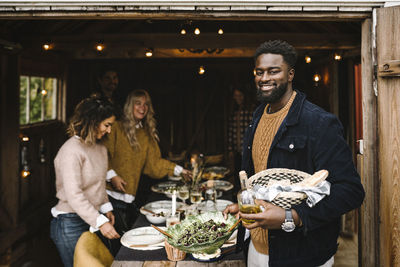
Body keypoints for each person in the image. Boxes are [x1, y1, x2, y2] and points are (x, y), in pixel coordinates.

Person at [223, 40, 365, 267]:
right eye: (259, 72)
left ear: (290, 74)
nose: (264, 78)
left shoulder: (318, 123)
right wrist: (245, 204)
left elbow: (350, 191)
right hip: (256, 248)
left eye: (273, 71)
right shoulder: (257, 117)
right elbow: (259, 182)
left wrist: (293, 216)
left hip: (301, 255)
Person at [102, 89, 191, 234]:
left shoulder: (146, 133)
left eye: (146, 104)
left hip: (128, 199)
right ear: (130, 105)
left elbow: (154, 164)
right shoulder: (115, 128)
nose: (142, 108)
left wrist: (180, 170)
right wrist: (112, 176)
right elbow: (101, 155)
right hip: (108, 198)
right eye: (138, 103)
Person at [50, 96, 120, 267]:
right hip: (69, 222)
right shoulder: (70, 151)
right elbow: (74, 196)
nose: (109, 131)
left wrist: (106, 207)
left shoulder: (101, 148)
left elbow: (99, 184)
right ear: (93, 122)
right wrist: (100, 221)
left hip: (90, 217)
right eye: (107, 125)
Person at [227, 87, 254, 193]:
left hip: (248, 150)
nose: (237, 98)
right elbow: (231, 131)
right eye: (235, 96)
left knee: (249, 174)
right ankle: (238, 196)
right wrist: (230, 149)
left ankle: (249, 196)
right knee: (238, 174)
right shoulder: (234, 111)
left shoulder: (251, 111)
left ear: (245, 96)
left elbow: (253, 132)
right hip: (237, 151)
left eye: (240, 96)